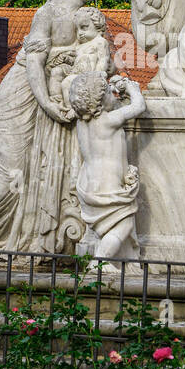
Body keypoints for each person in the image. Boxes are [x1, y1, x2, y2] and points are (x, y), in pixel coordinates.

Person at [0, 0, 101, 254]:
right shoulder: (48, 13)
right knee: (13, 173)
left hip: (50, 98)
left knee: (37, 174)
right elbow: (34, 66)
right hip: (22, 96)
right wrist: (47, 104)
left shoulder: (84, 19)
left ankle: (31, 242)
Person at [67, 72, 145, 263]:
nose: (113, 94)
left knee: (110, 228)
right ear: (99, 104)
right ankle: (99, 263)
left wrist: (109, 90)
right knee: (124, 224)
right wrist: (132, 89)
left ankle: (110, 261)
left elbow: (102, 107)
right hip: (108, 188)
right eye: (108, 93)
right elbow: (139, 106)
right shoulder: (109, 121)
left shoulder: (81, 123)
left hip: (88, 187)